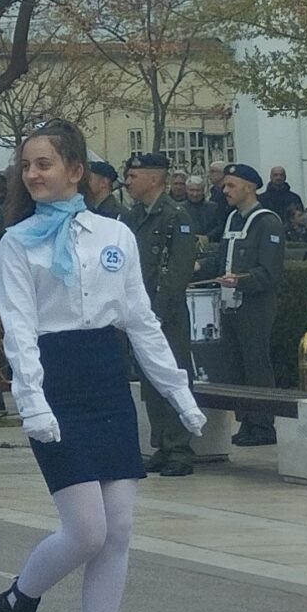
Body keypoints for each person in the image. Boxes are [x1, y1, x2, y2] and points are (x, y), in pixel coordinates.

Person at [0, 121, 202, 612]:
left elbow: (140, 319)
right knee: (86, 531)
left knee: (119, 529)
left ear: (77, 169)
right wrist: (33, 401)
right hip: (55, 376)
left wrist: (178, 393)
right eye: (27, 165)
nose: (34, 174)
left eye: (45, 163)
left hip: (104, 374)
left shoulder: (116, 234)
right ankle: (14, 604)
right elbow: (19, 329)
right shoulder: (16, 242)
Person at [121, 153, 200, 477]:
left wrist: (158, 312)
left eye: (134, 176)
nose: (127, 182)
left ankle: (180, 447)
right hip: (141, 312)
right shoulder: (135, 216)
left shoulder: (175, 216)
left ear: (153, 179)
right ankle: (163, 444)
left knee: (173, 375)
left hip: (166, 314)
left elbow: (178, 271)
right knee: (151, 380)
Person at [200, 161, 285, 448]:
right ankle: (246, 421)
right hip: (230, 303)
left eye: (231, 185)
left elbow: (269, 271)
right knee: (235, 363)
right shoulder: (233, 219)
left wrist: (241, 280)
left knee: (256, 362)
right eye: (225, 185)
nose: (225, 190)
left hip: (255, 304)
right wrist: (200, 265)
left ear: (249, 187)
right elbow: (222, 257)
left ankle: (263, 423)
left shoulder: (267, 222)